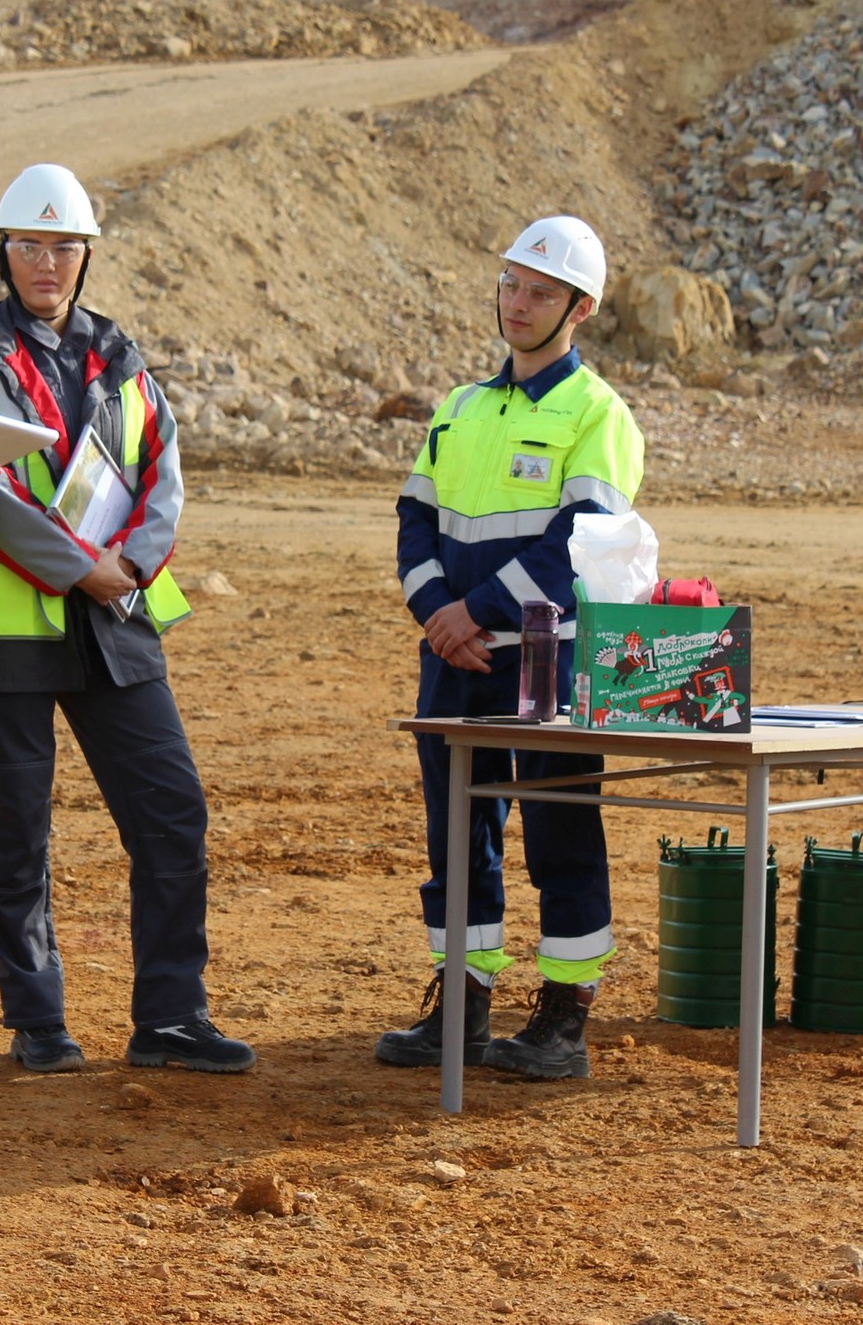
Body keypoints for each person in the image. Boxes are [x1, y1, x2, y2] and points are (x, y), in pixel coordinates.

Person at [0, 162, 253, 1075]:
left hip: (117, 625)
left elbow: (162, 472)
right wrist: (86, 570)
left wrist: (134, 566)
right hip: (14, 636)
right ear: (4, 253)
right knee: (17, 836)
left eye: (63, 245)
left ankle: (171, 1016)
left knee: (170, 813)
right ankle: (37, 1021)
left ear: (86, 255)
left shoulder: (123, 358)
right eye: (28, 244)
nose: (46, 261)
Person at [376, 216, 647, 1081]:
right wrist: (435, 614)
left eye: (538, 292)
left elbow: (581, 541)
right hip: (450, 654)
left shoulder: (598, 413)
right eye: (509, 285)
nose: (518, 304)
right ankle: (461, 1003)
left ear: (581, 308)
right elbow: (413, 515)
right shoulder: (460, 407)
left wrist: (474, 612)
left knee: (561, 828)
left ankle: (564, 1018)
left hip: (545, 655)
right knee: (458, 832)